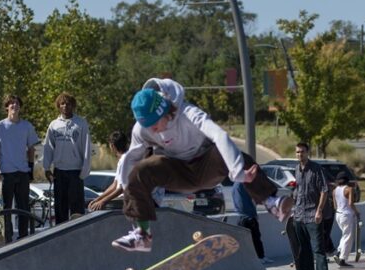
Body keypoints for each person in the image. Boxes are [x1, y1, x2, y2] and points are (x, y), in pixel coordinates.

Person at [110, 78, 291, 252]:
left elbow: (219, 135)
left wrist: (237, 173)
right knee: (142, 169)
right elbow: (130, 159)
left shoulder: (189, 114)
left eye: (155, 125)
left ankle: (272, 201)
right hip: (177, 172)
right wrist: (130, 191)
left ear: (163, 111)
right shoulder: (141, 130)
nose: (153, 131)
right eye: (147, 127)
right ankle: (142, 234)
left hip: (206, 166)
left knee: (230, 154)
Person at [0, 94, 40, 241]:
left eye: (17, 103)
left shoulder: (27, 126)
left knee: (23, 207)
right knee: (6, 208)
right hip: (6, 172)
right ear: (7, 107)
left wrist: (30, 168)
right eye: (11, 103)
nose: (14, 106)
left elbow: (31, 149)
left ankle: (23, 237)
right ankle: (7, 237)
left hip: (22, 171)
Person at [42, 92, 92, 224]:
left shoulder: (81, 123)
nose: (65, 106)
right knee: (60, 208)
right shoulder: (54, 125)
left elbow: (86, 147)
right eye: (62, 103)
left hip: (76, 172)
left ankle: (78, 236)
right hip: (59, 171)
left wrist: (84, 171)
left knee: (77, 209)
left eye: (68, 103)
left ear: (73, 105)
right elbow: (48, 147)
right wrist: (46, 168)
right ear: (58, 106)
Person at [291, 142, 330, 270]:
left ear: (308, 153)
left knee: (318, 248)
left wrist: (319, 210)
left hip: (313, 215)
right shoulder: (296, 169)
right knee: (304, 250)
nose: (300, 154)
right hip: (299, 215)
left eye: (302, 152)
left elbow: (324, 190)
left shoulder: (316, 169)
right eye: (297, 152)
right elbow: (298, 191)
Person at [88, 130, 130, 212]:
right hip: (122, 198)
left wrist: (103, 201)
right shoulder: (122, 160)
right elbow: (115, 185)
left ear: (113, 146)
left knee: (101, 207)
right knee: (93, 204)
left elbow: (122, 188)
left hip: (127, 200)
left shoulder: (126, 160)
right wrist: (98, 199)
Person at [231, 181, 270, 264]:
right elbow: (253, 198)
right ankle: (260, 257)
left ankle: (258, 256)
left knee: (249, 239)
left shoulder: (235, 185)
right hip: (248, 216)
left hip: (241, 216)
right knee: (255, 238)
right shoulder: (243, 184)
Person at [332, 174, 360, 267]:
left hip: (338, 215)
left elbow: (335, 206)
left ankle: (339, 253)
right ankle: (342, 258)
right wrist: (356, 212)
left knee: (345, 235)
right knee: (348, 237)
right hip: (346, 215)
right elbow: (351, 203)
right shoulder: (349, 189)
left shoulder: (334, 190)